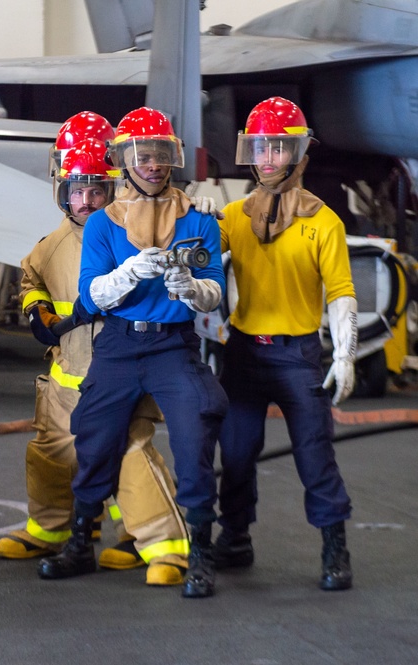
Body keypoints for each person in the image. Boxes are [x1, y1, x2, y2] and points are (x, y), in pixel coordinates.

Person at [39, 107, 228, 598]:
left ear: (173, 158)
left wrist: (189, 287)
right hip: (120, 343)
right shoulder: (104, 224)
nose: (153, 164)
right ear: (124, 159)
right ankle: (81, 542)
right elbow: (91, 296)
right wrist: (130, 274)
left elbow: (215, 295)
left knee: (194, 437)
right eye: (143, 154)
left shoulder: (198, 219)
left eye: (162, 154)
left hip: (173, 345)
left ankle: (202, 555)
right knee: (93, 436)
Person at [0, 127, 191, 587]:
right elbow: (31, 278)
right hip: (65, 377)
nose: (85, 199)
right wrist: (35, 309)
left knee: (127, 452)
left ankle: (160, 543)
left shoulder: (130, 234)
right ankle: (51, 529)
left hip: (118, 373)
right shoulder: (49, 246)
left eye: (95, 189)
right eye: (76, 188)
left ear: (114, 185)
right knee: (52, 451)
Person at [216, 96, 355, 591]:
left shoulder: (324, 223)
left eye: (277, 148)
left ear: (298, 153)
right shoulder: (233, 216)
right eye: (259, 148)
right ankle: (234, 538)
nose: (267, 159)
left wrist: (344, 353)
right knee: (234, 451)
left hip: (298, 356)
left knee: (314, 454)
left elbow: (340, 291)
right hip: (245, 351)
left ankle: (334, 546)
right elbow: (201, 260)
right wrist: (193, 220)